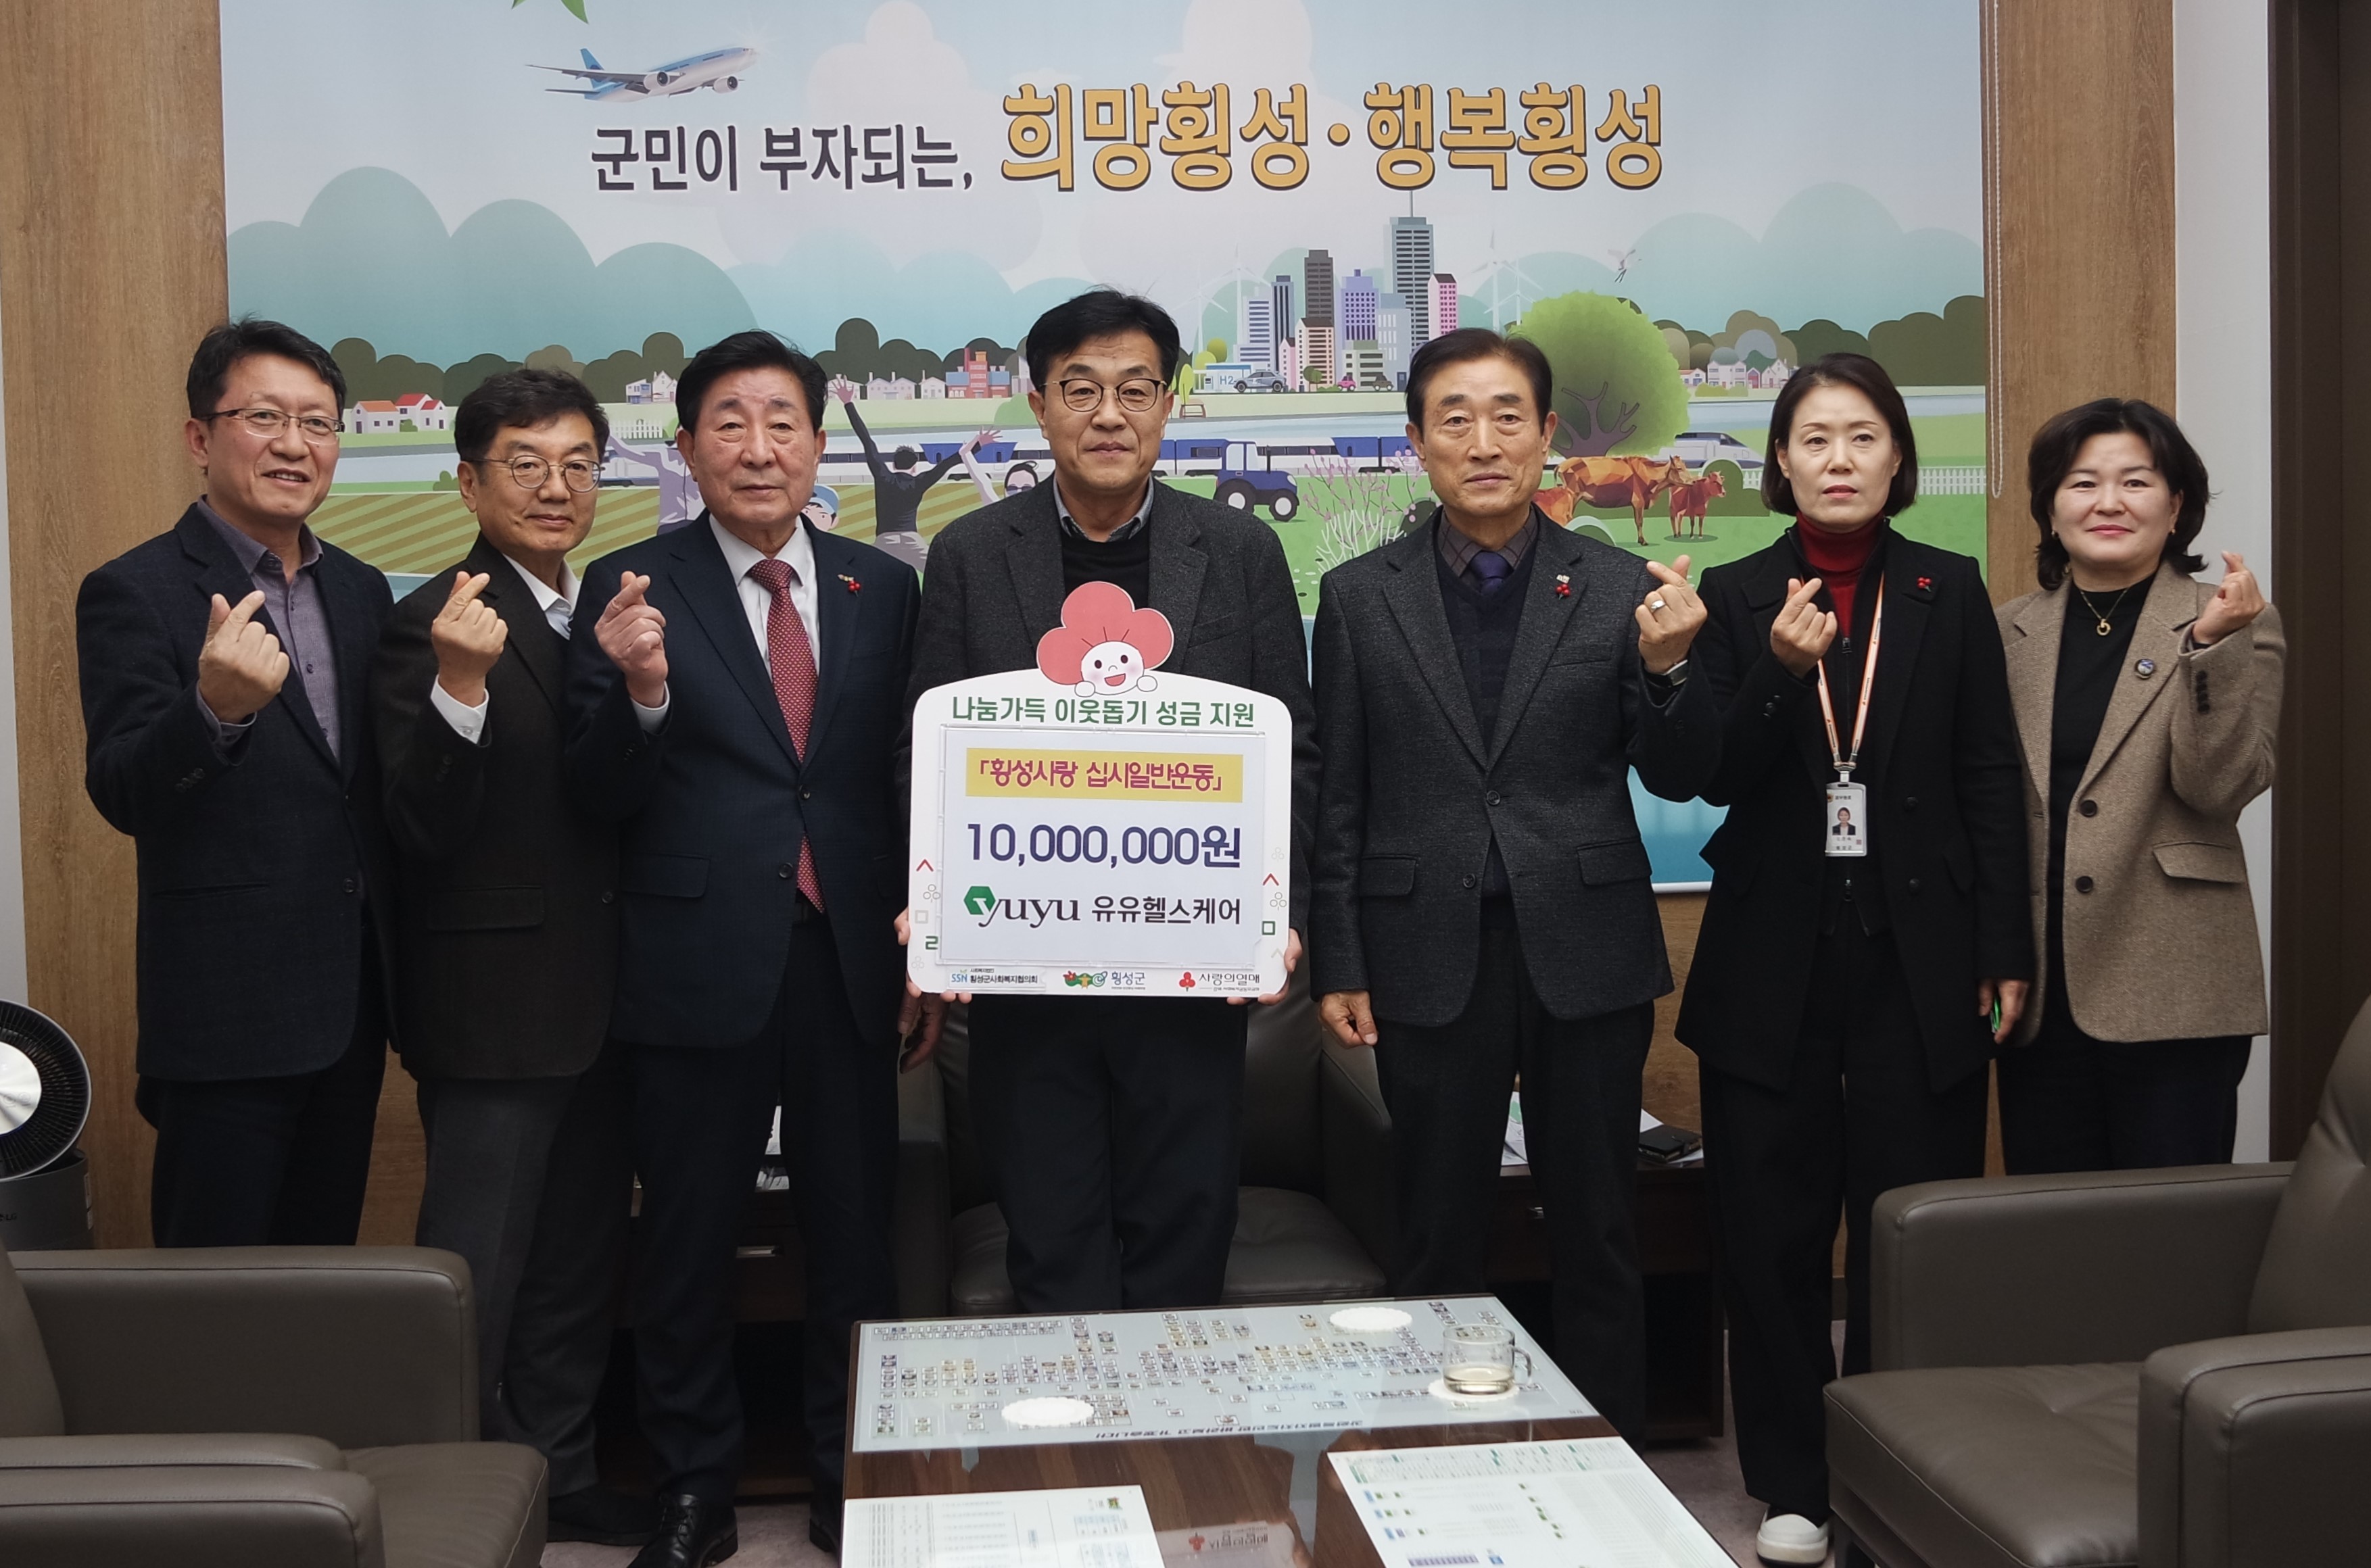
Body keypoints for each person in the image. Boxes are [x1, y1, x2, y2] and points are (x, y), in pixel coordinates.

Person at [1309, 327, 1717, 1442]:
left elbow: (1681, 773)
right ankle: (1433, 1459)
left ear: (1545, 437)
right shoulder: (1358, 597)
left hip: (1584, 948)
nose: (1482, 443)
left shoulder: (1622, 586)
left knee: (1596, 1229)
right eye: (1454, 419)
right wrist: (1338, 957)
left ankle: (1603, 1466)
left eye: (1506, 418)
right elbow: (1337, 794)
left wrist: (1672, 669)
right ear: (1416, 442)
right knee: (1434, 1233)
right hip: (1422, 952)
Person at [565, 330, 930, 1566]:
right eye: (729, 422)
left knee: (853, 1239)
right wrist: (641, 693)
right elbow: (593, 792)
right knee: (685, 1242)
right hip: (693, 962)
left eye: (782, 422)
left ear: (819, 445)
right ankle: (693, 1490)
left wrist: (926, 937)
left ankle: (849, 1475)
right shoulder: (630, 587)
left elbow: (904, 779)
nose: (758, 447)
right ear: (687, 448)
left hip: (848, 961)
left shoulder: (882, 588)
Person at [1676, 353, 2030, 1566]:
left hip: (1920, 954)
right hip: (1769, 954)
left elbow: (1988, 772)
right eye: (1814, 439)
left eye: (1862, 436)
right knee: (1768, 1228)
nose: (1838, 460)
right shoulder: (1732, 592)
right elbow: (1710, 772)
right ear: (1779, 461)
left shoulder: (1945, 585)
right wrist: (1779, 674)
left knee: (1903, 1226)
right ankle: (1791, 1484)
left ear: (1896, 458)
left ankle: (1893, 1471)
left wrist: (2003, 944)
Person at [901, 289, 1318, 1313]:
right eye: (1080, 389)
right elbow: (928, 752)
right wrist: (930, 896)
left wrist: (1285, 910)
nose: (1108, 415)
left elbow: (1293, 752)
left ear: (1168, 405)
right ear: (1038, 404)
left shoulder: (1240, 554)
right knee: (1052, 1253)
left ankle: (1181, 1424)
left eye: (1135, 390)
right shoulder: (969, 556)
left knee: (1183, 1247)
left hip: (1190, 975)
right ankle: (1072, 1421)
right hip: (1024, 984)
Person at [368, 368, 648, 1548]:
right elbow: (418, 823)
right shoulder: (429, 621)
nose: (554, 487)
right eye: (524, 465)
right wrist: (459, 686)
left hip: (605, 1000)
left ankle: (559, 1469)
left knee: (578, 1259)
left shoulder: (601, 615)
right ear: (469, 482)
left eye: (578, 464)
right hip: (491, 1009)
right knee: (476, 1272)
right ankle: (451, 1500)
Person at [77, 318, 394, 1247]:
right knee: (211, 1297)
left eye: (318, 423)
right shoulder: (135, 589)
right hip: (225, 1019)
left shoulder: (363, 591)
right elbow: (122, 790)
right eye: (264, 417)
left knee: (322, 1278)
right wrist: (212, 709)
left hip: (350, 1009)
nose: (295, 444)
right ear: (199, 437)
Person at [1994, 399, 2283, 1173]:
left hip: (2175, 982)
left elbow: (2219, 787)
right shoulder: (2007, 632)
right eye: (2083, 482)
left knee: (2169, 1227)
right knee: (2048, 1223)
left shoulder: (2238, 620)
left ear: (2177, 505)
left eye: (2136, 481)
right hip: (2039, 991)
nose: (2109, 502)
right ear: (2050, 507)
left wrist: (2211, 648)